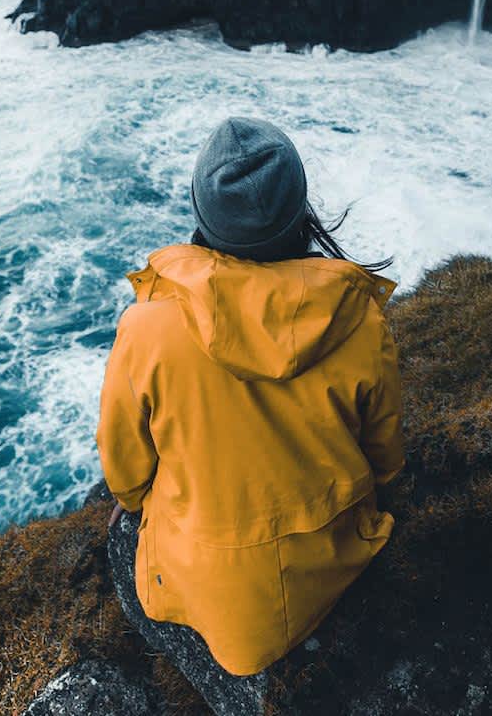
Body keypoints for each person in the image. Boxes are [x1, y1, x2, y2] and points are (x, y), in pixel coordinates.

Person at [96, 116, 404, 676]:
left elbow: (126, 467)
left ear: (201, 213)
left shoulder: (148, 328)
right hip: (331, 563)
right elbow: (385, 458)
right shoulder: (359, 319)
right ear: (301, 209)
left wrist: (135, 497)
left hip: (202, 586)